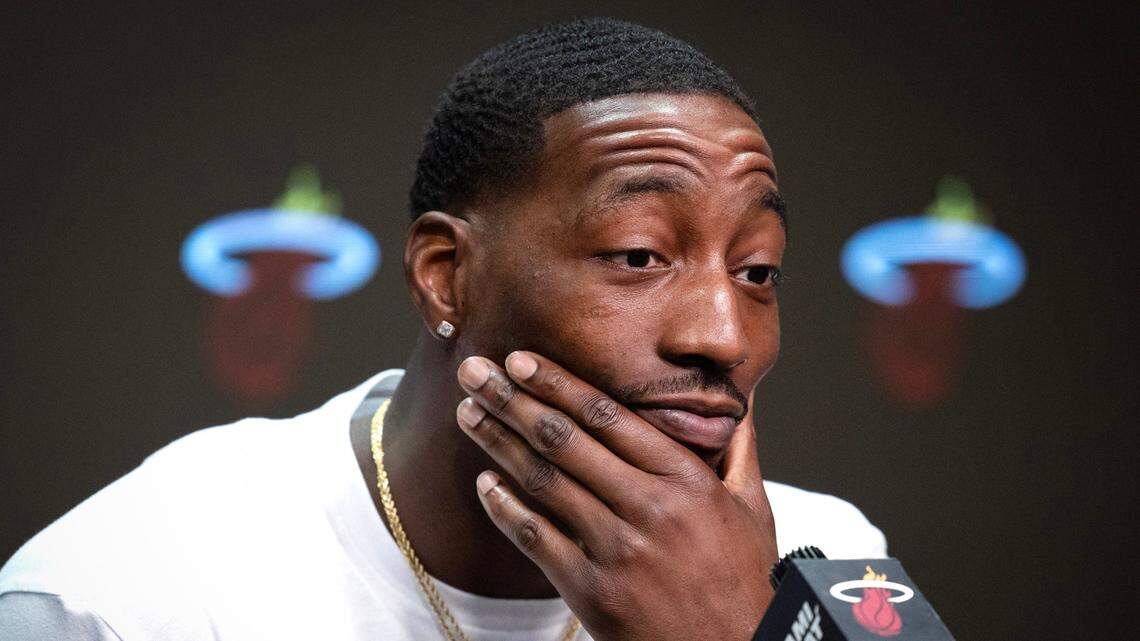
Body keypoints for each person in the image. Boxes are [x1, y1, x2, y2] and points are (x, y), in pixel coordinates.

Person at [0, 17, 886, 641]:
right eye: (639, 255)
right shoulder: (130, 595)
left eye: (757, 270)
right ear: (444, 276)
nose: (724, 336)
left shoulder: (830, 564)